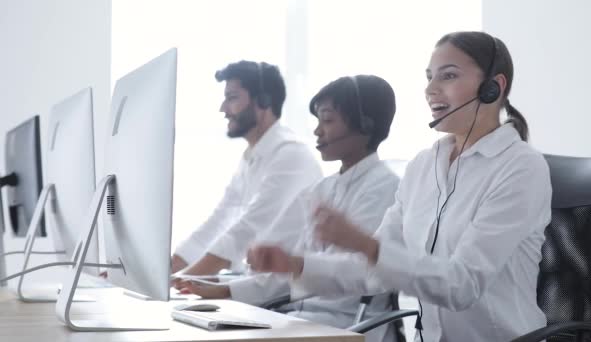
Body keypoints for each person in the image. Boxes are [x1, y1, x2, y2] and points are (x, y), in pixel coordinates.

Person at [248, 31, 552, 342]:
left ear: (493, 88)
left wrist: (365, 245)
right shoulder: (424, 166)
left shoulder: (521, 168)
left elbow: (463, 286)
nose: (431, 89)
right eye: (429, 77)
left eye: (448, 76)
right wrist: (296, 265)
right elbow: (371, 272)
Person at [179, 75, 401, 342]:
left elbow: (357, 273)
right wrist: (225, 289)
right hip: (297, 317)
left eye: (327, 120)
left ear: (365, 125)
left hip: (344, 325)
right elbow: (292, 271)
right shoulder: (321, 190)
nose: (318, 131)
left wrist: (286, 267)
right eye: (318, 121)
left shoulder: (385, 189)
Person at [171, 61, 322, 276]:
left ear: (263, 101)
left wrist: (180, 280)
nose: (223, 109)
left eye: (232, 98)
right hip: (254, 283)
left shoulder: (291, 156)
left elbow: (247, 229)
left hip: (284, 294)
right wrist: (169, 268)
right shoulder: (251, 157)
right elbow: (220, 219)